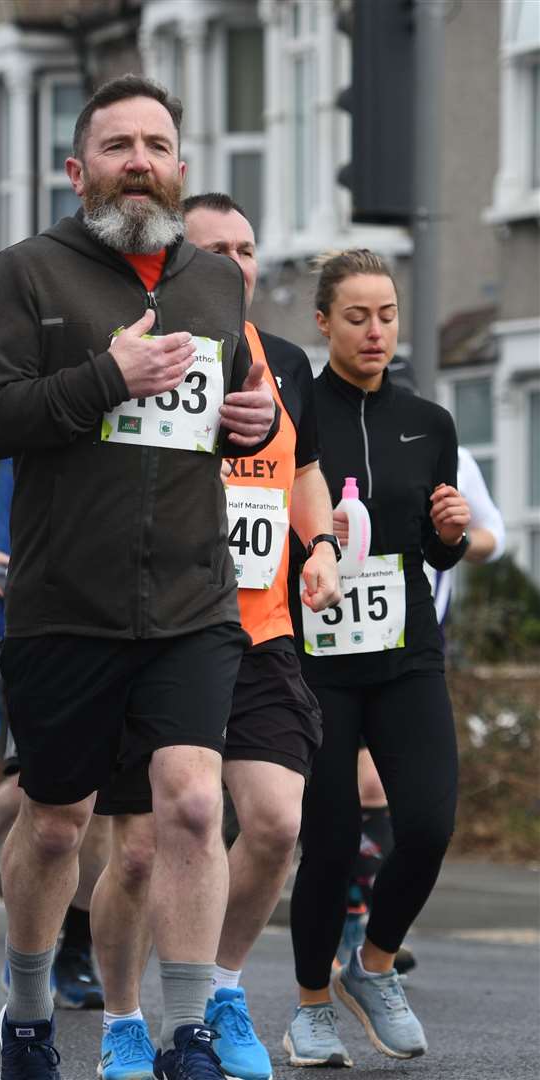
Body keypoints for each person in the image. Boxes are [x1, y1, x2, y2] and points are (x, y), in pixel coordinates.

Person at [0, 74, 277, 1080]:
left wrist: (253, 425)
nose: (138, 160)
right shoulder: (30, 274)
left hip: (192, 595)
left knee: (190, 805)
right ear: (78, 168)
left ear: (179, 167)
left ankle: (186, 1034)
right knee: (57, 826)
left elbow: (220, 420)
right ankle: (25, 1014)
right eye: (116, 146)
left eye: (155, 144)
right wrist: (107, 379)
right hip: (66, 602)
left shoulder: (214, 283)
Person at [88, 192, 340, 1080]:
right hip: (156, 626)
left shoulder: (286, 364)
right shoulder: (144, 349)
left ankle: (222, 987)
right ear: (175, 261)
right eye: (214, 248)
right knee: (140, 848)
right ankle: (123, 1017)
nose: (235, 263)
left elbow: (302, 472)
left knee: (273, 824)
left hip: (259, 627)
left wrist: (324, 548)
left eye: (245, 246)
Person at [283, 250, 469, 1068]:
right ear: (322, 322)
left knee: (425, 828)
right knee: (325, 843)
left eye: (386, 315)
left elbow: (433, 548)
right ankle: (311, 1006)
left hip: (404, 654)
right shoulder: (297, 414)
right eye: (356, 317)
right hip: (315, 660)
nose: (374, 332)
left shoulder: (427, 422)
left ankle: (375, 966)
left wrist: (450, 531)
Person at [0, 429, 107, 1008]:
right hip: (30, 613)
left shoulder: (170, 360)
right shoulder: (28, 357)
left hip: (130, 613)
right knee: (38, 801)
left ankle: (77, 952)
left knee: (104, 799)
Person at [339, 444, 505, 975]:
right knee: (331, 796)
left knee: (382, 791)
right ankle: (343, 908)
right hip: (332, 633)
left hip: (414, 640)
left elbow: (493, 536)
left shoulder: (446, 451)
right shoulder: (329, 435)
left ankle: (360, 920)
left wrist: (451, 538)